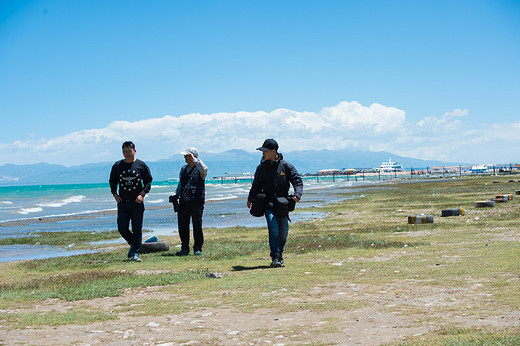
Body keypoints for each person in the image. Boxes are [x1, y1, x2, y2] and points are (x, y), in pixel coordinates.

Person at [247, 139, 303, 267]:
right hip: (268, 204)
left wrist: (297, 194)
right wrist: (250, 199)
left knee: (283, 233)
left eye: (265, 151)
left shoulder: (286, 166)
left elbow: (297, 181)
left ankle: (280, 253)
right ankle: (275, 256)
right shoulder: (261, 168)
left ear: (273, 151)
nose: (263, 154)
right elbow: (255, 185)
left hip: (283, 204)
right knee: (274, 230)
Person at [109, 141, 153, 262]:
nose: (127, 154)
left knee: (137, 229)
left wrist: (142, 194)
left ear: (134, 151)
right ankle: (134, 245)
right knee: (122, 228)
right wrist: (115, 194)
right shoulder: (117, 165)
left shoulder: (141, 165)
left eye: (129, 151)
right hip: (123, 202)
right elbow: (112, 181)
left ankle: (135, 253)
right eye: (124, 152)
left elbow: (148, 181)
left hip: (137, 202)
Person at [173, 147, 208, 256]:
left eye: (187, 156)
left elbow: (205, 169)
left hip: (197, 201)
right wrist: (175, 194)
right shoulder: (183, 169)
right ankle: (184, 248)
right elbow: (181, 184)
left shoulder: (200, 169)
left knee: (197, 225)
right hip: (184, 201)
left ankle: (198, 247)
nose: (185, 158)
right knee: (182, 225)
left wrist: (195, 159)